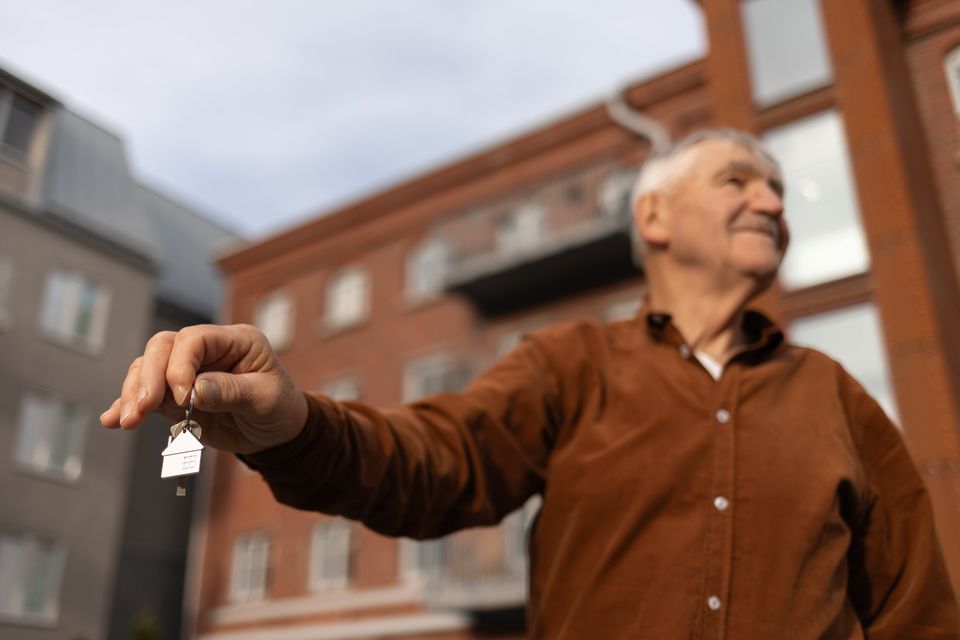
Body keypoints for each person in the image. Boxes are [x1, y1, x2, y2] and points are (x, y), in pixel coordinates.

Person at [101, 129, 959, 638]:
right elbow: (434, 461)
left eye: (777, 189)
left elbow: (918, 611)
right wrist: (297, 425)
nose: (771, 202)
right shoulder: (570, 365)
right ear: (653, 217)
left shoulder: (836, 397)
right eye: (738, 180)